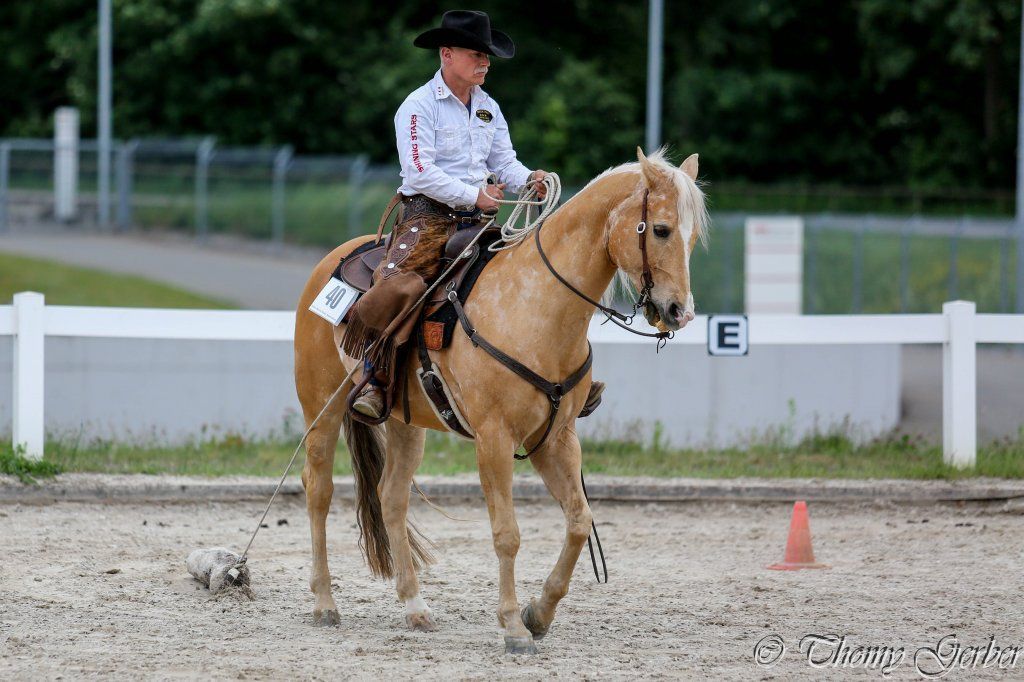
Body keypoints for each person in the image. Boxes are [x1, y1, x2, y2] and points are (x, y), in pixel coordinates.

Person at [342, 10, 602, 421]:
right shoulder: (418, 106)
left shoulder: (488, 108)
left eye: (487, 56)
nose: (485, 62)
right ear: (446, 53)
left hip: (478, 221)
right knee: (399, 286)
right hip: (427, 218)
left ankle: (562, 373)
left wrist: (528, 177)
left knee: (534, 274)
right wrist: (475, 195)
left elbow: (505, 163)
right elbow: (419, 172)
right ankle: (375, 377)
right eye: (476, 54)